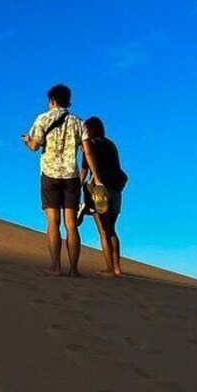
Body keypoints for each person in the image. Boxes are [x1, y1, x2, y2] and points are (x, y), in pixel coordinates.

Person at [21, 84, 85, 277]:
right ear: (69, 101)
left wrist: (26, 140)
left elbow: (34, 146)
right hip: (71, 176)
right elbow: (86, 149)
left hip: (50, 174)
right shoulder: (78, 122)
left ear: (52, 101)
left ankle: (56, 267)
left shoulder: (42, 118)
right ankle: (74, 269)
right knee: (71, 224)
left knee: (52, 222)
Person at [80, 116, 128, 277]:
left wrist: (78, 187)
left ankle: (109, 268)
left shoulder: (89, 145)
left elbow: (85, 170)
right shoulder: (111, 144)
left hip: (100, 191)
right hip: (116, 190)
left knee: (103, 232)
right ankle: (117, 268)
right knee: (112, 230)